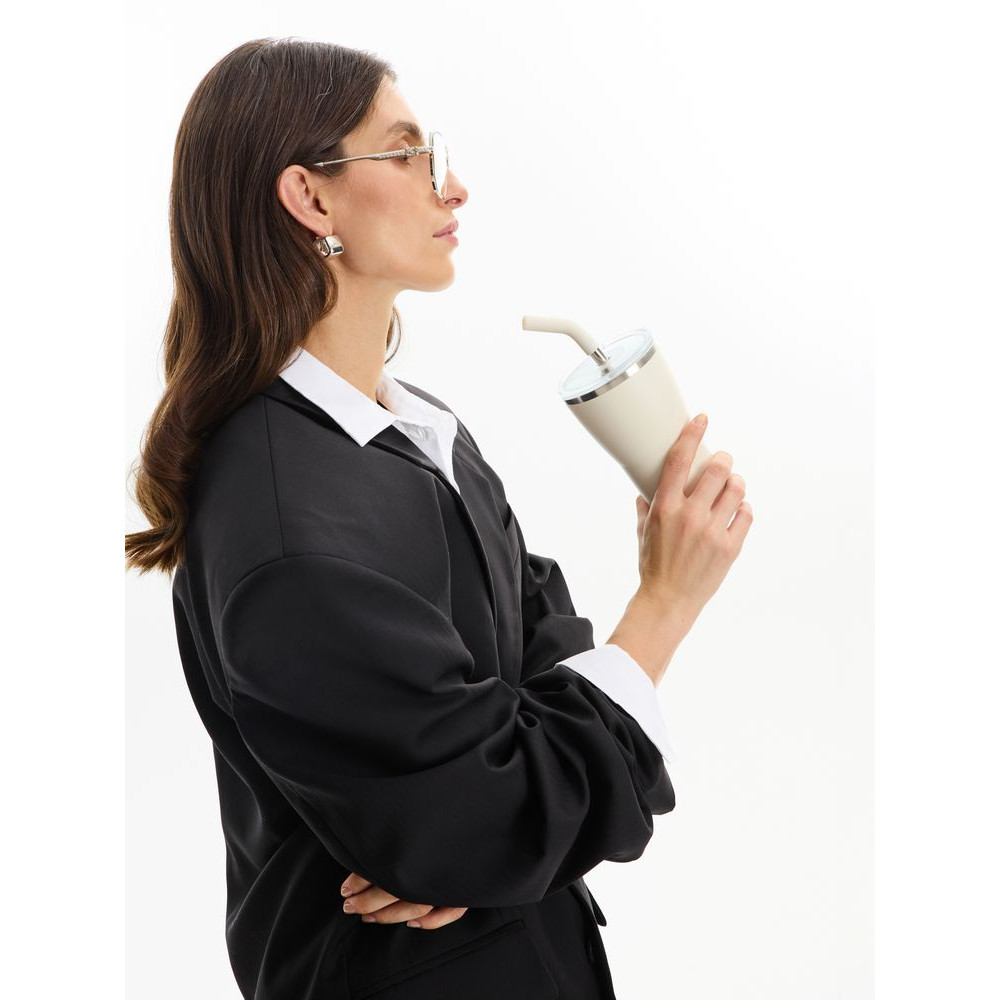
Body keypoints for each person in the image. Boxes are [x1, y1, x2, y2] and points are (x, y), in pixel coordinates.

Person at [125, 37, 752, 1000]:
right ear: (311, 199)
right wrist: (665, 602)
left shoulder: (418, 428)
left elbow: (541, 657)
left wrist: (474, 834)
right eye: (409, 152)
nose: (450, 187)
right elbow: (502, 808)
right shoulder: (291, 529)